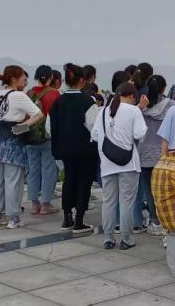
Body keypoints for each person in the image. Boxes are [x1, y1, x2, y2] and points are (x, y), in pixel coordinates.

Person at [0, 66, 44, 228]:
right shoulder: (19, 95)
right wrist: (22, 127)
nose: (25, 81)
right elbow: (38, 114)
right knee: (13, 181)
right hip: (13, 142)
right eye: (23, 78)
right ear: (14, 79)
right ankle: (13, 218)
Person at [92, 82, 148, 250]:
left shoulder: (103, 111)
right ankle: (126, 239)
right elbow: (139, 133)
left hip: (107, 164)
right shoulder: (134, 111)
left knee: (108, 202)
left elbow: (95, 135)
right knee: (126, 202)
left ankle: (108, 238)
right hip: (128, 164)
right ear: (131, 96)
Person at [50, 64, 100, 233]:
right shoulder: (87, 101)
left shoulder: (58, 102)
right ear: (82, 81)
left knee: (69, 179)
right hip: (85, 149)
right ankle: (79, 220)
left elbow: (49, 128)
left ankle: (67, 217)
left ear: (65, 81)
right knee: (84, 182)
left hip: (64, 149)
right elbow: (94, 127)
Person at [138, 75, 175, 235]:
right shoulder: (172, 106)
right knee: (166, 190)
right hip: (164, 153)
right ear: (163, 88)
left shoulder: (141, 106)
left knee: (149, 191)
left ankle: (155, 222)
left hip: (144, 154)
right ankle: (167, 221)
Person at [26, 65, 61, 215]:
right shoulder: (54, 94)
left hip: (30, 137)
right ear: (51, 77)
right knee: (49, 170)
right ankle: (46, 205)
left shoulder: (29, 93)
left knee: (33, 170)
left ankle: (34, 204)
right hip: (48, 138)